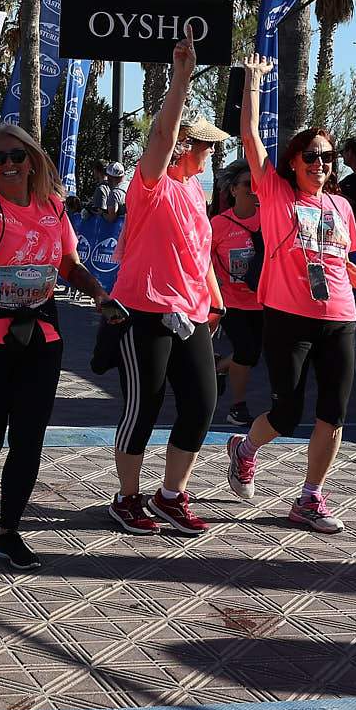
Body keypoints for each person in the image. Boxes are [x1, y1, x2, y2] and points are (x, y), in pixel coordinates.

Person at [226, 54, 356, 533]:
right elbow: (251, 139)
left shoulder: (340, 204)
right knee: (288, 412)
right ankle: (246, 447)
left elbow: (342, 264)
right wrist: (252, 83)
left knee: (333, 411)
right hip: (287, 317)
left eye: (327, 157)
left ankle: (310, 497)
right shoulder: (275, 195)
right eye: (310, 156)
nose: (320, 164)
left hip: (339, 317)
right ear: (294, 162)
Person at [0, 123, 128, 571]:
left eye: (16, 157)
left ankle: (7, 533)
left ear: (32, 161)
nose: (7, 165)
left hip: (42, 335)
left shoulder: (52, 207)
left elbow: (70, 263)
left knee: (28, 440)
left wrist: (100, 295)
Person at [106, 35, 227, 538]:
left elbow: (200, 253)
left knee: (201, 403)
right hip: (144, 311)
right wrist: (180, 78)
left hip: (192, 313)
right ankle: (127, 497)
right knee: (145, 405)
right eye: (206, 145)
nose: (211, 153)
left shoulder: (195, 191)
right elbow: (159, 137)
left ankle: (170, 495)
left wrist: (216, 303)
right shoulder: (149, 182)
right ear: (185, 145)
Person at [210, 162, 265, 426]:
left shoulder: (268, 218)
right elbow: (203, 260)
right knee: (246, 349)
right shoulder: (218, 224)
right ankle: (237, 407)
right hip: (231, 301)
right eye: (247, 185)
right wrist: (213, 291)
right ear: (233, 190)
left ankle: (218, 368)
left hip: (263, 301)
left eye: (257, 185)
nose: (253, 190)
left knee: (253, 353)